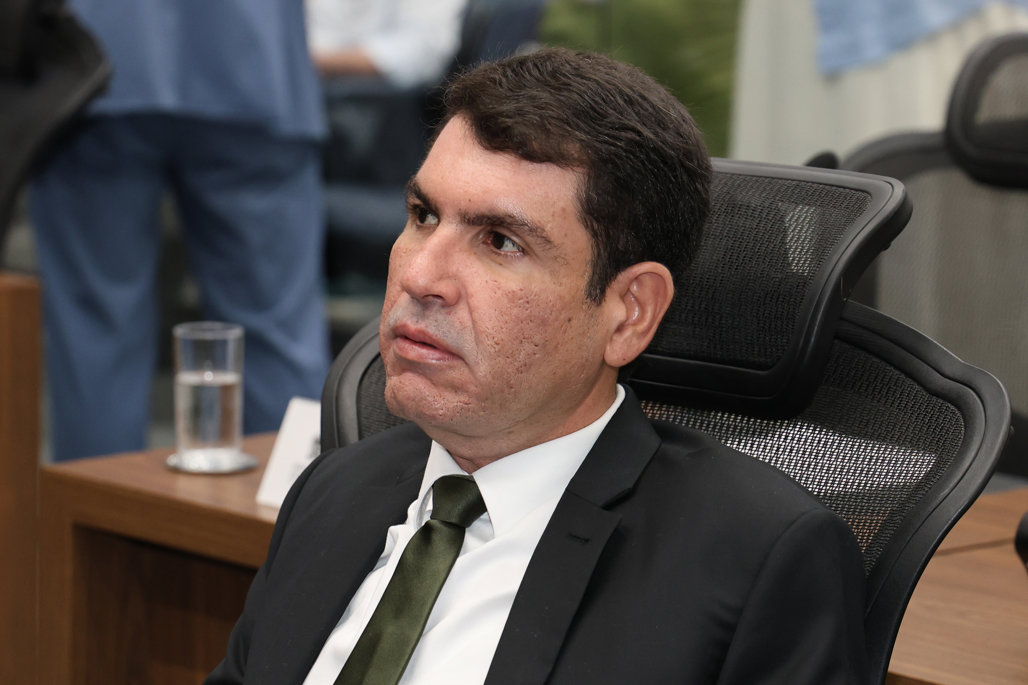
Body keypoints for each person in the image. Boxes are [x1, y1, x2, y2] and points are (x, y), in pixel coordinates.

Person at [206, 48, 869, 684]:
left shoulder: (755, 562)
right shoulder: (333, 490)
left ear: (629, 313)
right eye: (423, 215)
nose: (421, 275)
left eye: (500, 241)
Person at [30, 0, 330, 461]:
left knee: (95, 329)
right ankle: (299, 501)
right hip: (254, 60)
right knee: (275, 330)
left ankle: (101, 506)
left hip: (93, 59)